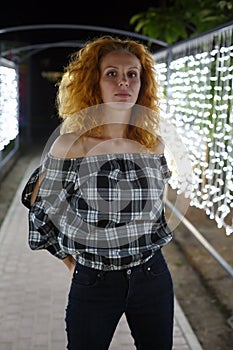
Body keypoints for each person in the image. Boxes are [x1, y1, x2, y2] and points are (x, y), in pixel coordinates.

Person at [21, 35, 174, 350]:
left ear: (142, 84)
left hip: (152, 275)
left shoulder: (152, 143)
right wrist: (71, 263)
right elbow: (41, 213)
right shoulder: (71, 146)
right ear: (95, 82)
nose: (123, 82)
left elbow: (157, 210)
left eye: (132, 74)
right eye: (112, 74)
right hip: (95, 281)